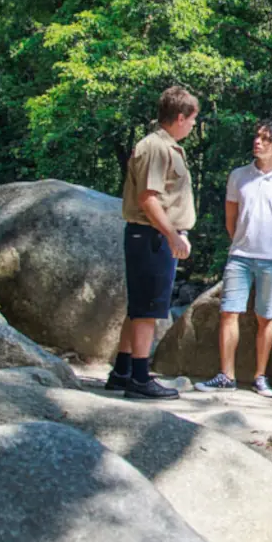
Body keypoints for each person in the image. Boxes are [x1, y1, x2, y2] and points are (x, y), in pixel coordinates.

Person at [195, 119, 272, 397]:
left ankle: (260, 377)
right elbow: (230, 218)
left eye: (266, 139)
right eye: (257, 136)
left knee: (266, 317)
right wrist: (241, 241)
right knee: (228, 312)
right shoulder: (238, 176)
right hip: (240, 257)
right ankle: (226, 375)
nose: (258, 141)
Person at [112, 85, 199, 399]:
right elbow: (148, 198)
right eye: (192, 119)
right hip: (151, 236)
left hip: (153, 235)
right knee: (147, 310)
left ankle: (122, 372)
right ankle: (139, 378)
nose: (193, 125)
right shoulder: (156, 148)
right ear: (180, 117)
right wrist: (172, 235)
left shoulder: (167, 147)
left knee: (139, 307)